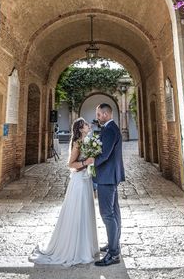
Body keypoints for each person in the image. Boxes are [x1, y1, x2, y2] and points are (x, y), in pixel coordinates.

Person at [28, 118, 98, 266]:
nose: (88, 125)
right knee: (78, 212)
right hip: (79, 182)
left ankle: (85, 247)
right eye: (85, 124)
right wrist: (86, 162)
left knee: (86, 211)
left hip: (87, 180)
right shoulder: (78, 143)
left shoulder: (88, 141)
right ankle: (75, 249)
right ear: (80, 129)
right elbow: (70, 164)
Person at [84, 103, 125, 266]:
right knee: (114, 212)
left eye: (99, 114)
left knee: (107, 214)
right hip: (110, 176)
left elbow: (105, 154)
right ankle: (113, 244)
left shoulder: (109, 130)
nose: (98, 117)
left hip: (107, 177)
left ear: (106, 114)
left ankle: (114, 254)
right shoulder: (111, 128)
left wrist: (90, 162)